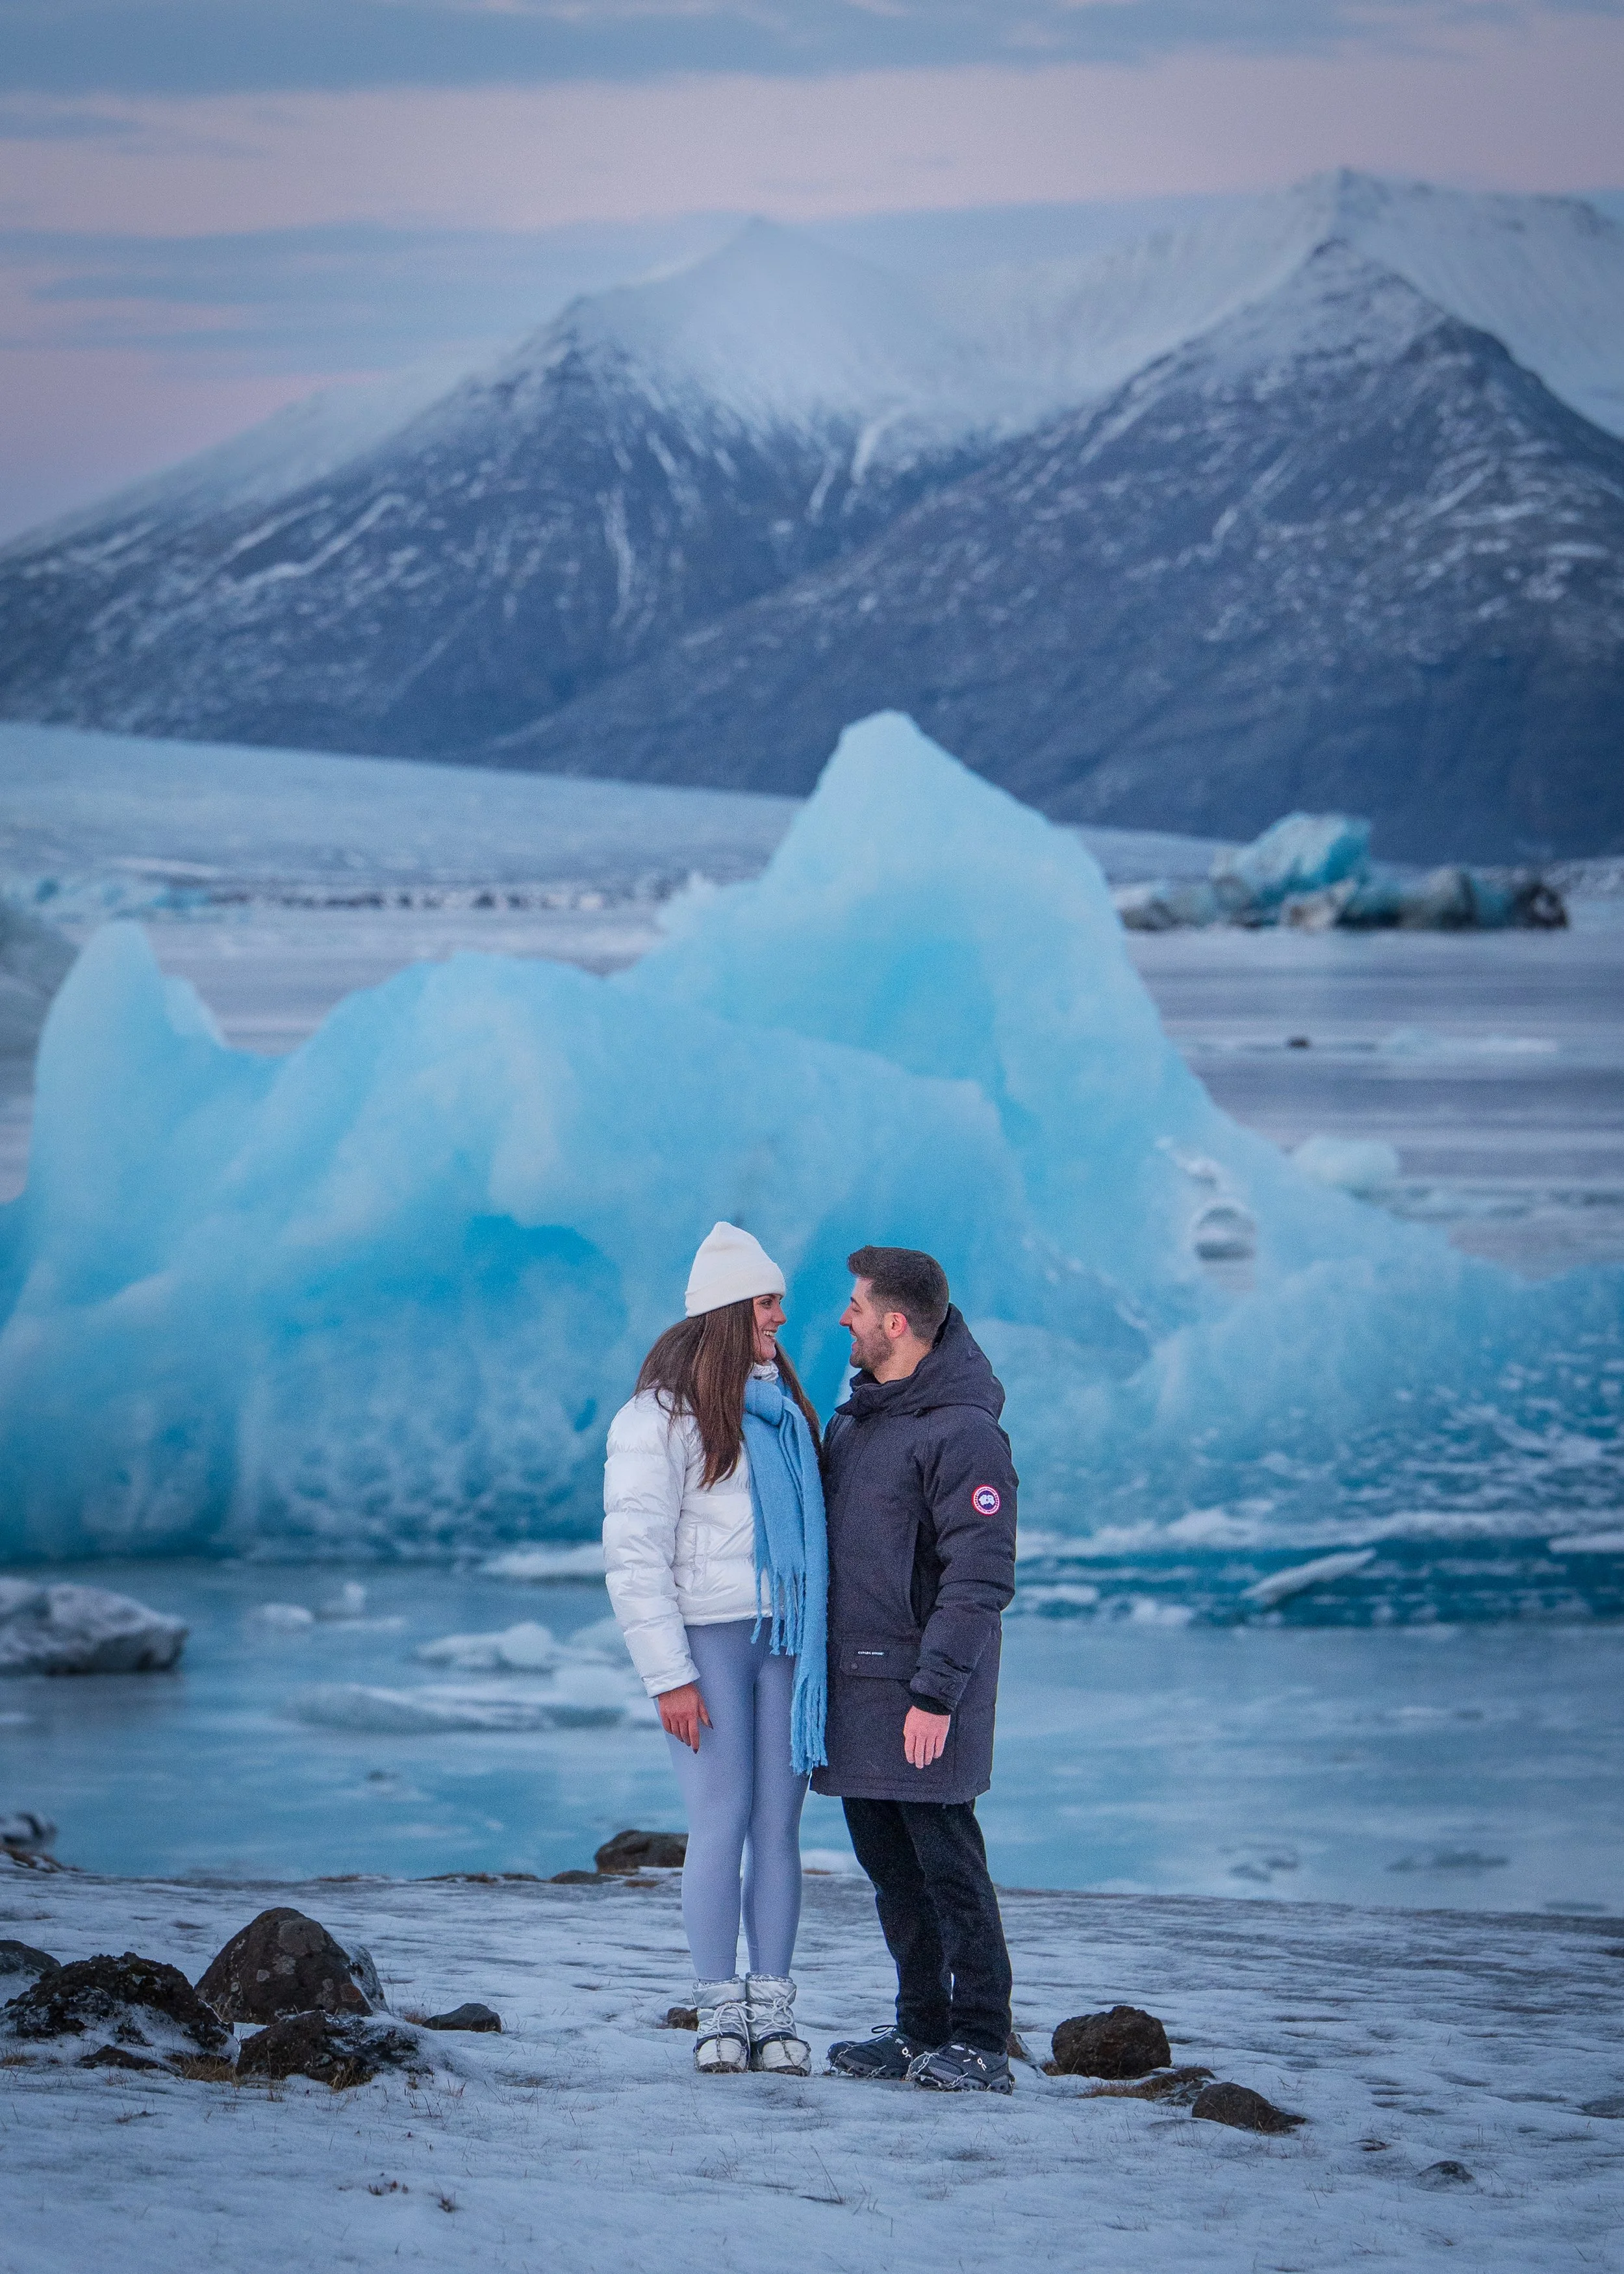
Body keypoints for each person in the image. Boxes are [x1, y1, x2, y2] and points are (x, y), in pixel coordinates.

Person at [603, 1221, 828, 2076]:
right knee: (720, 1821)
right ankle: (718, 2012)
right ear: (733, 1309)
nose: (781, 1317)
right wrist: (670, 1677)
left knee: (778, 1828)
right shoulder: (657, 1419)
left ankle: (773, 2011)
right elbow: (634, 1557)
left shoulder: (784, 1412)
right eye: (768, 1302)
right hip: (709, 1646)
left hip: (787, 1642)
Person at [816, 1246, 1019, 2093]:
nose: (845, 1318)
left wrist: (935, 1694)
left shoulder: (964, 1435)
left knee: (949, 1866)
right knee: (891, 1872)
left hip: (925, 1696)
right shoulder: (856, 1422)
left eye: (857, 1307)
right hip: (858, 1689)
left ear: (895, 1323)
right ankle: (919, 2028)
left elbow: (979, 1579)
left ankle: (983, 2039)